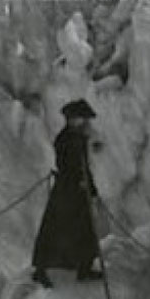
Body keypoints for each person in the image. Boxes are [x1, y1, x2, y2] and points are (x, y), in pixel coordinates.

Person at [31, 99, 104, 288]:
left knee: (83, 230)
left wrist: (91, 188)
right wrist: (80, 182)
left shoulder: (78, 138)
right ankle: (40, 270)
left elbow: (84, 168)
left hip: (77, 191)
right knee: (56, 229)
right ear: (71, 119)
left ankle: (84, 267)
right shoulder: (65, 139)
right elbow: (67, 166)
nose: (85, 123)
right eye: (81, 119)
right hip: (66, 190)